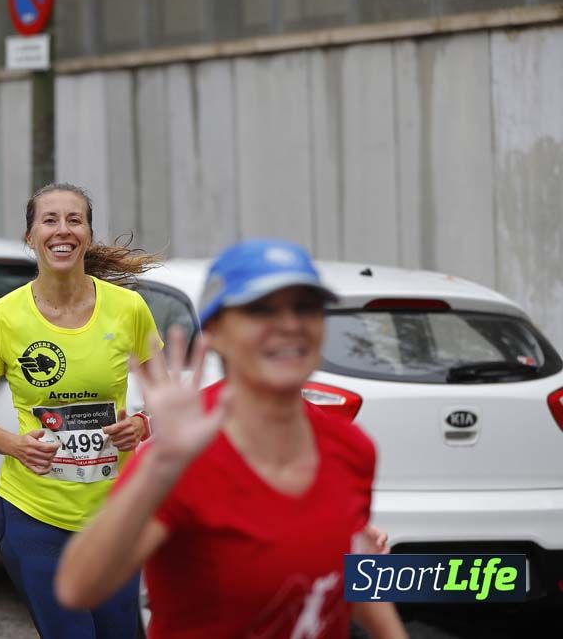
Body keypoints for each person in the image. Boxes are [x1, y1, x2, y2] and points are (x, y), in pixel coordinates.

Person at [55, 238, 407, 638]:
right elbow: (79, 587)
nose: (290, 325)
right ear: (216, 332)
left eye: (305, 307)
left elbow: (342, 578)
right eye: (261, 310)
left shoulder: (352, 448)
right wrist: (161, 466)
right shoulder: (182, 455)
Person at [0, 183, 163, 638]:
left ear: (88, 234)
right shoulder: (1, 317)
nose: (62, 230)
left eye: (75, 219)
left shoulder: (128, 309)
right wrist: (15, 445)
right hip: (35, 518)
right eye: (49, 220)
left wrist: (143, 424)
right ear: (30, 236)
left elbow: (167, 397)